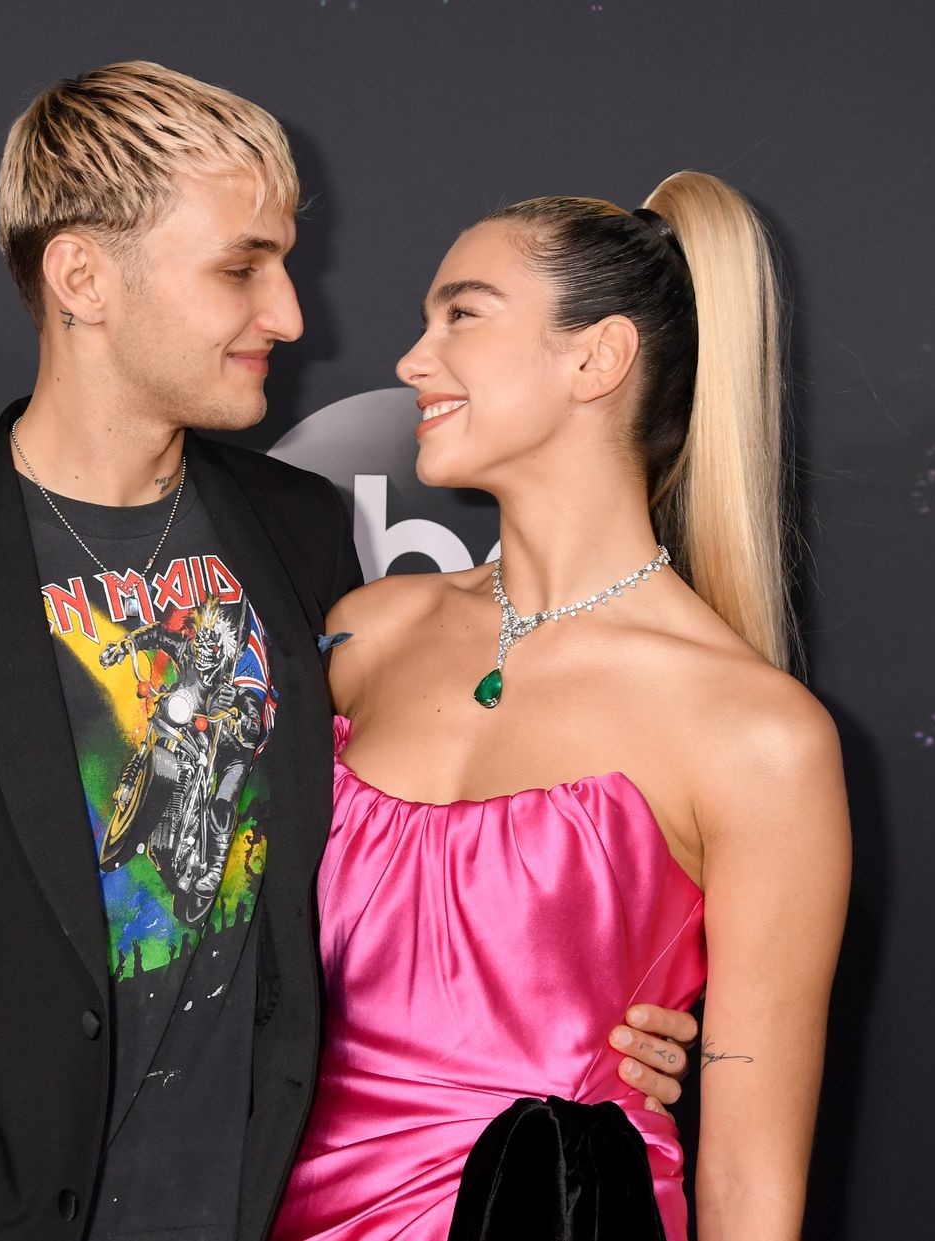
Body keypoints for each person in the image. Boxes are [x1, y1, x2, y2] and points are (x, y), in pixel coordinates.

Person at [0, 62, 693, 1241]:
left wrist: (599, 1014)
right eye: (240, 268)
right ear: (83, 278)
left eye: (283, 263)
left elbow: (406, 841)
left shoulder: (301, 532)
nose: (289, 315)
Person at [268, 181, 851, 1240]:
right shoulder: (365, 636)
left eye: (462, 314)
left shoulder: (757, 734)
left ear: (598, 359)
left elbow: (749, 1194)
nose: (413, 360)